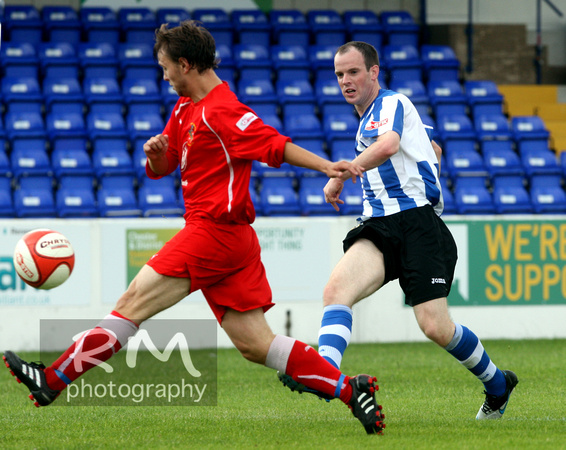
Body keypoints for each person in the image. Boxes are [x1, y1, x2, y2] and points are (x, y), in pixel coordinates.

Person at [2, 23, 385, 434]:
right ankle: (351, 389)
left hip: (213, 233)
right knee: (256, 345)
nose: (163, 75)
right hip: (229, 241)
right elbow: (164, 166)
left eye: (166, 67)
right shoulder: (185, 108)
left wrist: (327, 166)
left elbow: (274, 145)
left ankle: (53, 380)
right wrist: (154, 156)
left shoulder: (224, 110)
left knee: (131, 303)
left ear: (185, 64)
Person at [280, 41, 518, 420]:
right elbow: (432, 147)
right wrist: (426, 155)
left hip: (419, 225)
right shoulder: (371, 117)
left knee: (436, 327)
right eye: (340, 74)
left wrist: (341, 174)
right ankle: (325, 376)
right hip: (380, 224)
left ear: (374, 72)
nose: (346, 81)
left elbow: (389, 145)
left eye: (354, 72)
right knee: (336, 291)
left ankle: (498, 384)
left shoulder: (392, 103)